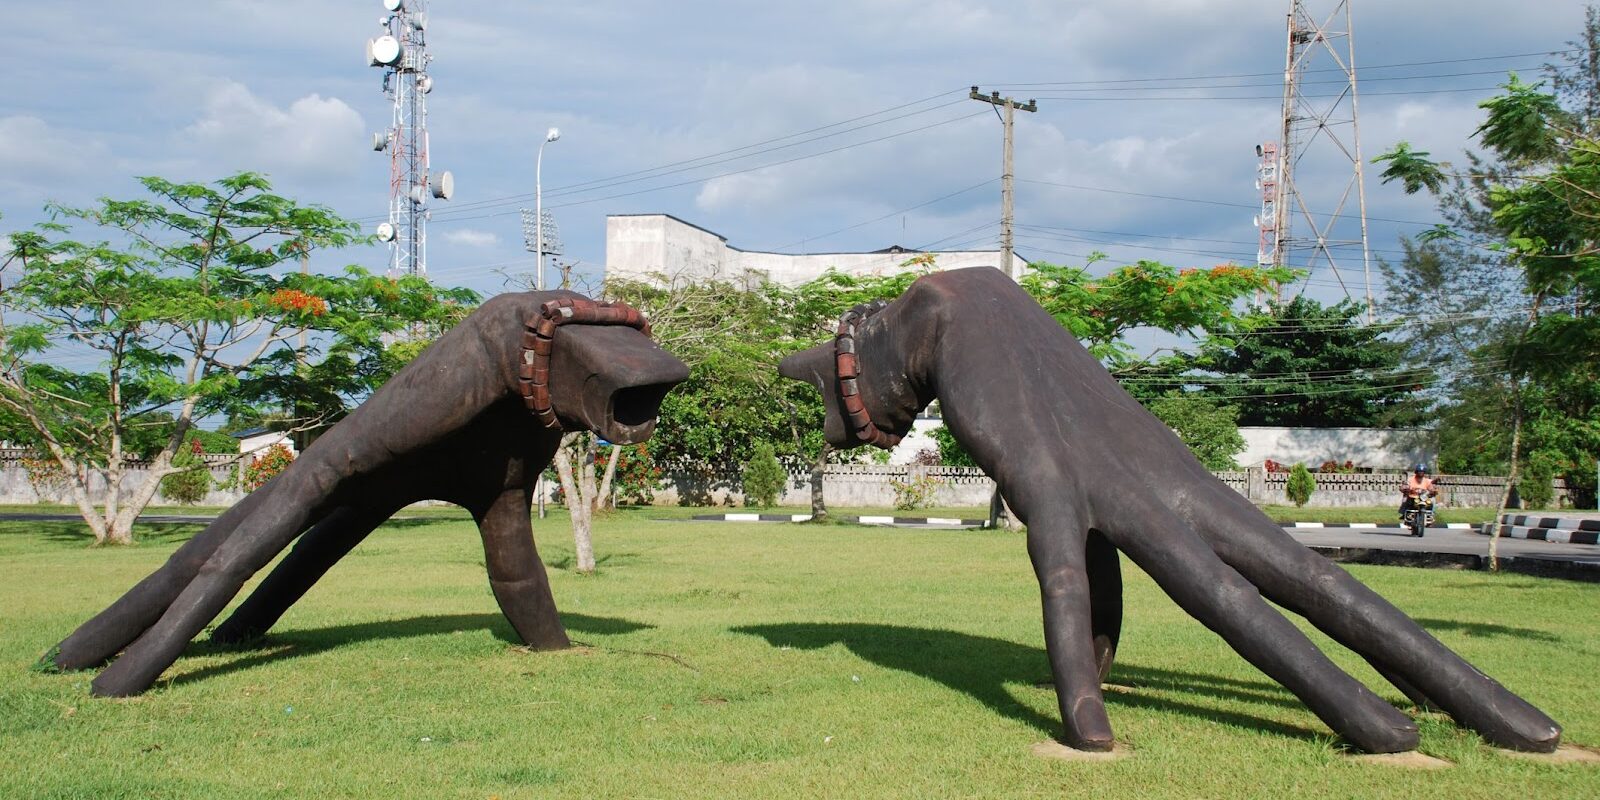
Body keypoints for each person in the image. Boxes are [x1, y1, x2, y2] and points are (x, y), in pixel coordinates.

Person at [1398, 463, 1437, 534]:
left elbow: (1431, 487)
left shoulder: (1427, 481)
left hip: (1423, 498)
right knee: (1405, 501)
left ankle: (1431, 517)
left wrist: (1433, 491)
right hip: (1412, 497)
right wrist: (1405, 488)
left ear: (1424, 472)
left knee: (1432, 501)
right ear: (1416, 472)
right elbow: (1405, 485)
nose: (1421, 473)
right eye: (1419, 472)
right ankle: (1404, 514)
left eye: (1422, 472)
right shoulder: (1411, 479)